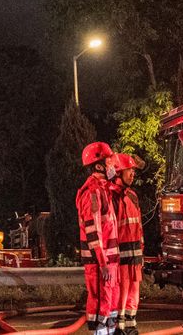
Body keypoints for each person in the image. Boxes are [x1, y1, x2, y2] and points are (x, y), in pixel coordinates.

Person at [77, 141, 120, 335]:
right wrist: (102, 262)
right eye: (109, 160)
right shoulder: (93, 192)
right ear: (99, 166)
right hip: (99, 262)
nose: (113, 164)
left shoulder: (104, 189)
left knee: (109, 304)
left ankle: (109, 331)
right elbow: (93, 230)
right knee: (100, 304)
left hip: (108, 261)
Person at [108, 153, 144, 335]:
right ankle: (118, 326)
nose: (132, 174)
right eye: (129, 170)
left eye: (133, 171)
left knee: (134, 289)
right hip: (120, 253)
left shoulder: (132, 196)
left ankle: (130, 325)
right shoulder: (111, 197)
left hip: (135, 252)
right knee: (121, 289)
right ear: (118, 172)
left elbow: (138, 226)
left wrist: (142, 250)